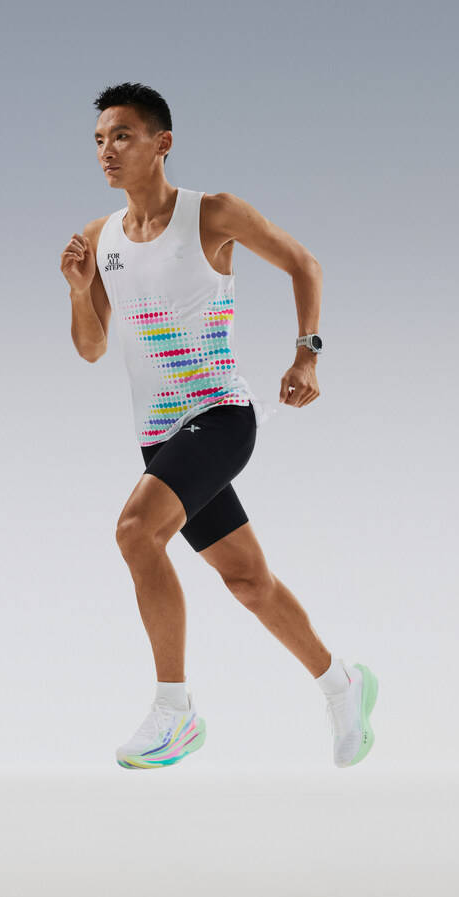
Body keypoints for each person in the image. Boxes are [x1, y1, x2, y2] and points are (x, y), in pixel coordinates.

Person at [60, 81, 378, 771]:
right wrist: (80, 290)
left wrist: (307, 354)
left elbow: (304, 263)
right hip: (160, 437)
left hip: (220, 415)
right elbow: (90, 347)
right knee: (247, 580)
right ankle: (342, 683)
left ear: (162, 143)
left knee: (135, 531)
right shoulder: (99, 237)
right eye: (99, 139)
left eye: (122, 136)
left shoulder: (212, 213)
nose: (107, 150)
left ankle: (175, 712)